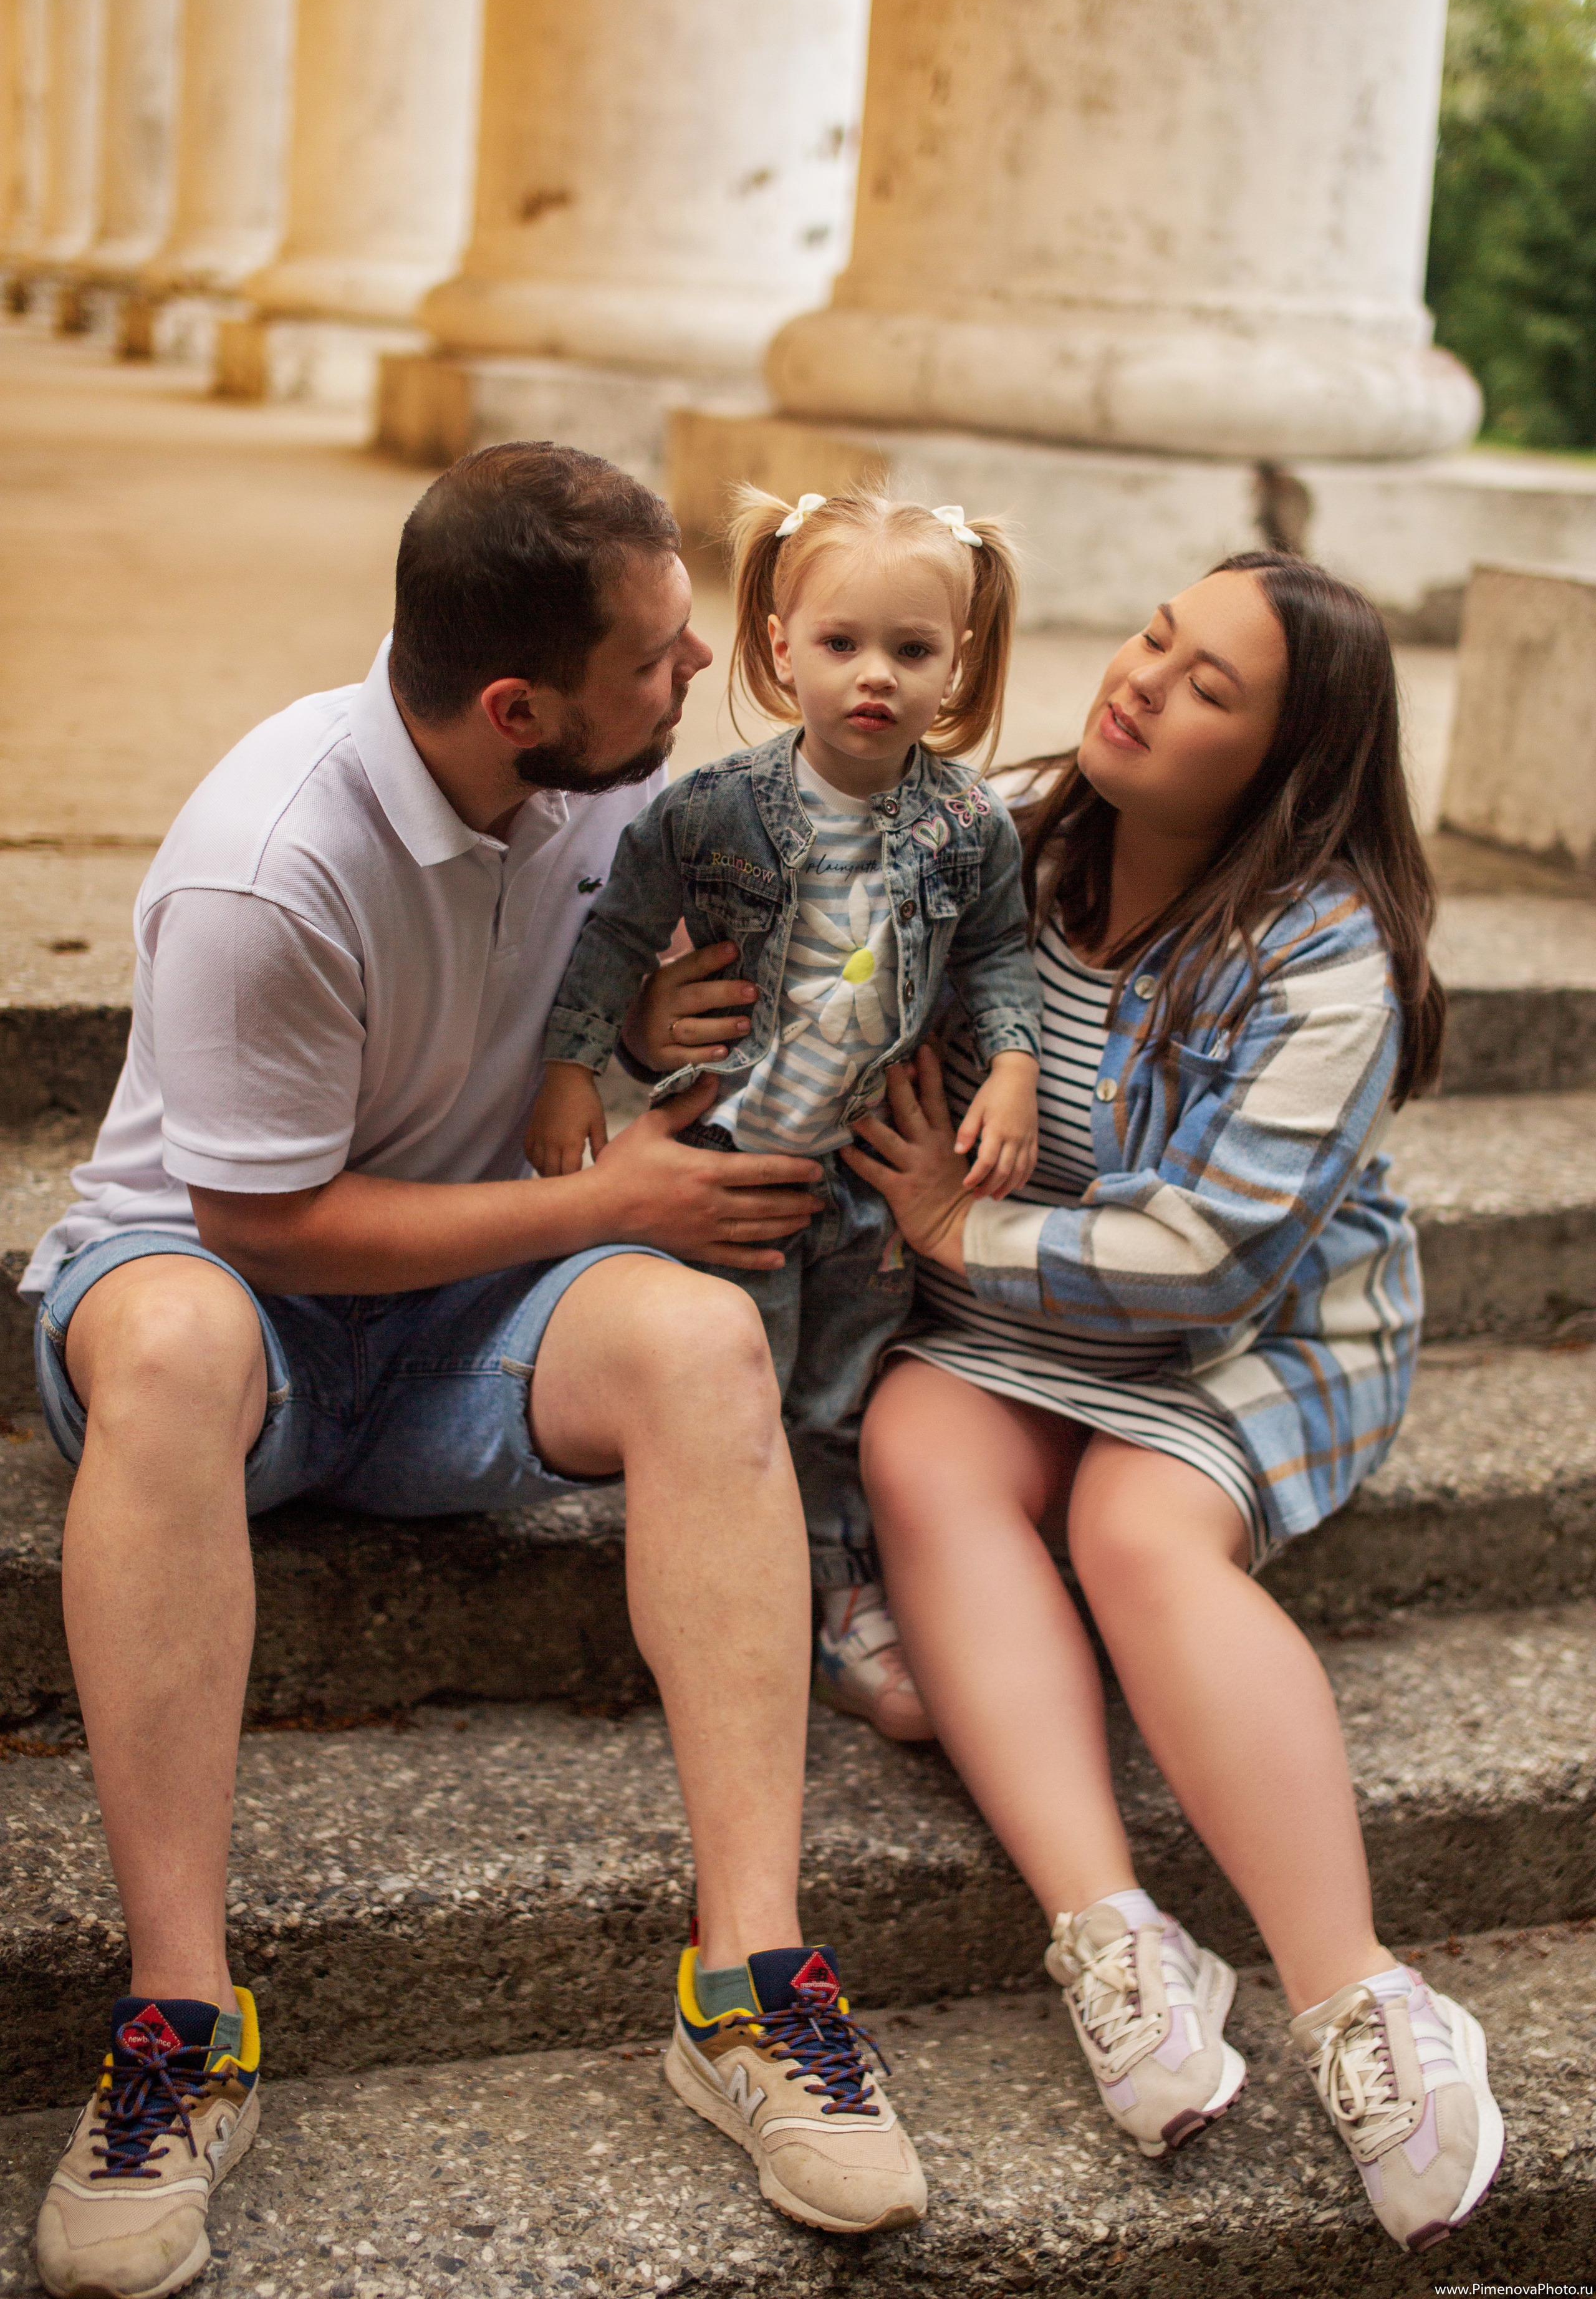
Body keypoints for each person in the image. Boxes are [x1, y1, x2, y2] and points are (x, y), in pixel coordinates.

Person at [22, 443, 928, 2299]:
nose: (697, 679)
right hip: (217, 1298)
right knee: (185, 1341)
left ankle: (751, 1989)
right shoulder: (270, 866)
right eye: (661, 658)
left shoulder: (621, 789)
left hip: (454, 1330)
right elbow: (264, 1228)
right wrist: (626, 1200)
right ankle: (178, 2028)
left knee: (690, 1339)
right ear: (519, 709)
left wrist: (664, 1057)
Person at [844, 551, 1505, 2257]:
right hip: (1017, 1302)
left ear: (1286, 765)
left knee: (1136, 1526)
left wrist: (950, 1227)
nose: (1142, 681)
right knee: (920, 1442)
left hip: (1253, 1326)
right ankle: (1114, 1934)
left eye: (1210, 687)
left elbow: (1209, 1256)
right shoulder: (997, 837)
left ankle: (1360, 1998)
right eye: (1157, 636)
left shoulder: (1324, 952)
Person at [526, 486, 1043, 1745]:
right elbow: (615, 939)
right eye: (840, 644)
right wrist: (574, 1063)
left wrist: (1016, 1063)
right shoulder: (709, 812)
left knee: (835, 1396)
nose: (874, 678)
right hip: (730, 1168)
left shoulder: (966, 828)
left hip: (866, 1184)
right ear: (777, 648)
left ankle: (839, 1602)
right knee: (738, 1390)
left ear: (955, 664)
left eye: (911, 652)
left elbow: (999, 955)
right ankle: (730, 1609)